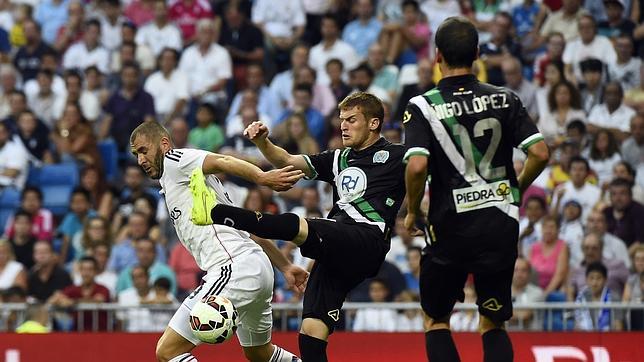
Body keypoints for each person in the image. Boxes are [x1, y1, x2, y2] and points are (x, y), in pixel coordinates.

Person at [192, 91, 406, 361]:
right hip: (337, 251)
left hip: (366, 238)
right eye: (341, 120)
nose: (343, 126)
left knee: (298, 224)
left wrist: (420, 214)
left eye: (352, 120)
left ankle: (215, 211)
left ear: (373, 123)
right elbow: (287, 160)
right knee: (310, 334)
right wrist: (262, 141)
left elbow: (426, 173)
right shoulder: (338, 159)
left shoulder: (398, 155)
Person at [403, 17, 549, 362]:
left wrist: (412, 210)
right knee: (493, 321)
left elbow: (418, 165)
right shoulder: (505, 98)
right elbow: (540, 152)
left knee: (437, 319)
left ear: (437, 56)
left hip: (449, 226)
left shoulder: (423, 106)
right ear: (478, 54)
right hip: (498, 225)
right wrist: (514, 189)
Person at [129, 121, 307, 362]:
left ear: (163, 144)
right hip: (257, 268)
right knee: (260, 354)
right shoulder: (195, 187)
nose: (140, 160)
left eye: (143, 150)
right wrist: (284, 265)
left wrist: (262, 177)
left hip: (233, 268)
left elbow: (222, 160)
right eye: (135, 154)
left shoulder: (174, 160)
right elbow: (247, 227)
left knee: (167, 351)